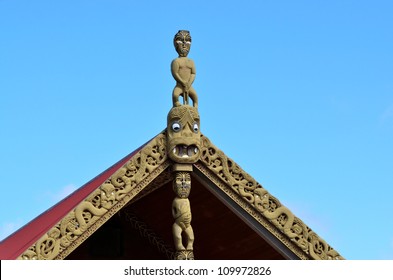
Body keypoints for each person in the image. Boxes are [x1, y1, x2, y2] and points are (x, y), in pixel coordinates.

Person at [171, 30, 198, 108]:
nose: (184, 44)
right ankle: (176, 103)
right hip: (180, 85)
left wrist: (189, 83)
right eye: (180, 41)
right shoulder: (176, 61)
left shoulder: (191, 62)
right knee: (175, 95)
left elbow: (193, 73)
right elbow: (175, 73)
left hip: (189, 85)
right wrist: (182, 82)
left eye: (187, 41)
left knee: (195, 97)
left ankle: (195, 106)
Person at [172, 172, 194, 251]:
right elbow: (173, 211)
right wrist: (177, 216)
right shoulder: (176, 200)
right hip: (178, 223)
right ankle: (179, 246)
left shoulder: (187, 200)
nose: (184, 184)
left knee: (191, 237)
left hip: (188, 224)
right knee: (178, 236)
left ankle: (190, 245)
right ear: (174, 186)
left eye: (187, 180)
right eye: (179, 180)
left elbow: (189, 210)